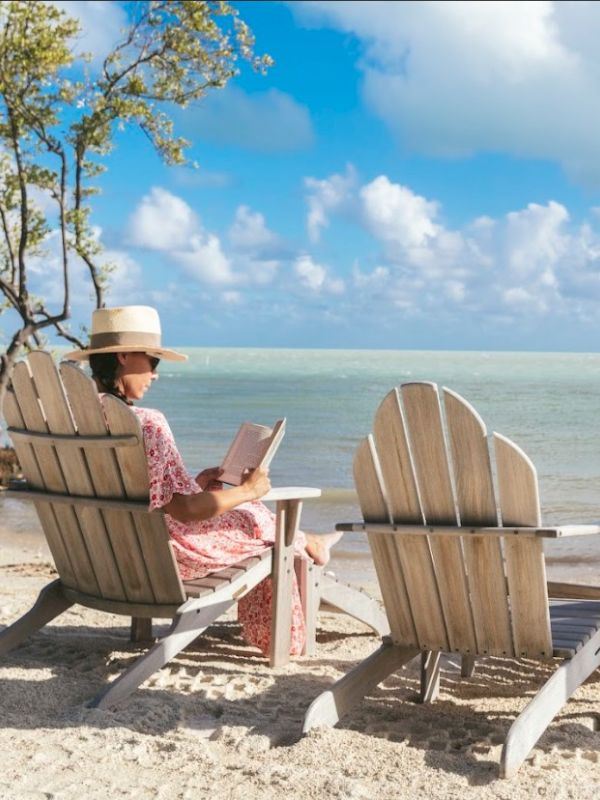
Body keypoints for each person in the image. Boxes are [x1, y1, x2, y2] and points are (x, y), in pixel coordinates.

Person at [65, 306, 341, 657]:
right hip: (161, 564)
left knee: (250, 516)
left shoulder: (80, 422)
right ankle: (310, 548)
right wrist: (248, 490)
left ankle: (310, 542)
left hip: (103, 557)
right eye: (153, 361)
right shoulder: (147, 423)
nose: (155, 374)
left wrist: (193, 482)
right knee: (256, 518)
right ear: (124, 356)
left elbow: (124, 493)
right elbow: (186, 511)